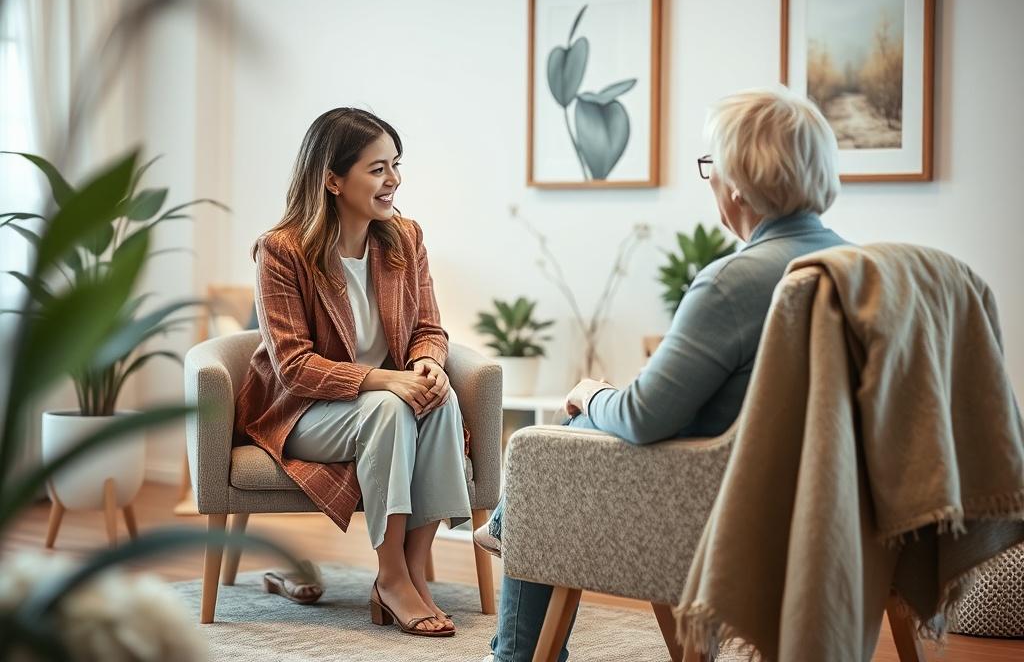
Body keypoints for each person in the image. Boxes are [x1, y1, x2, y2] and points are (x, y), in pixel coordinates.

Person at [477, 87, 848, 661]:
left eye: (710, 168)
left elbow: (646, 417)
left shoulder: (735, 282)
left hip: (716, 504)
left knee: (537, 448)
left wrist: (591, 392)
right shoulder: (857, 267)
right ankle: (507, 528)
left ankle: (513, 647)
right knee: (570, 439)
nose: (711, 183)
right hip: (824, 496)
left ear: (739, 182)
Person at [234, 107, 470, 637]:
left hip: (377, 407)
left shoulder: (404, 239)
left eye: (396, 165)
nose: (394, 181)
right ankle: (390, 577)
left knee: (441, 398)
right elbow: (292, 367)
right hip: (303, 413)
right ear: (333, 179)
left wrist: (428, 362)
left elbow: (429, 327)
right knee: (393, 404)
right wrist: (387, 380)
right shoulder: (282, 251)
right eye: (378, 169)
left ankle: (411, 573)